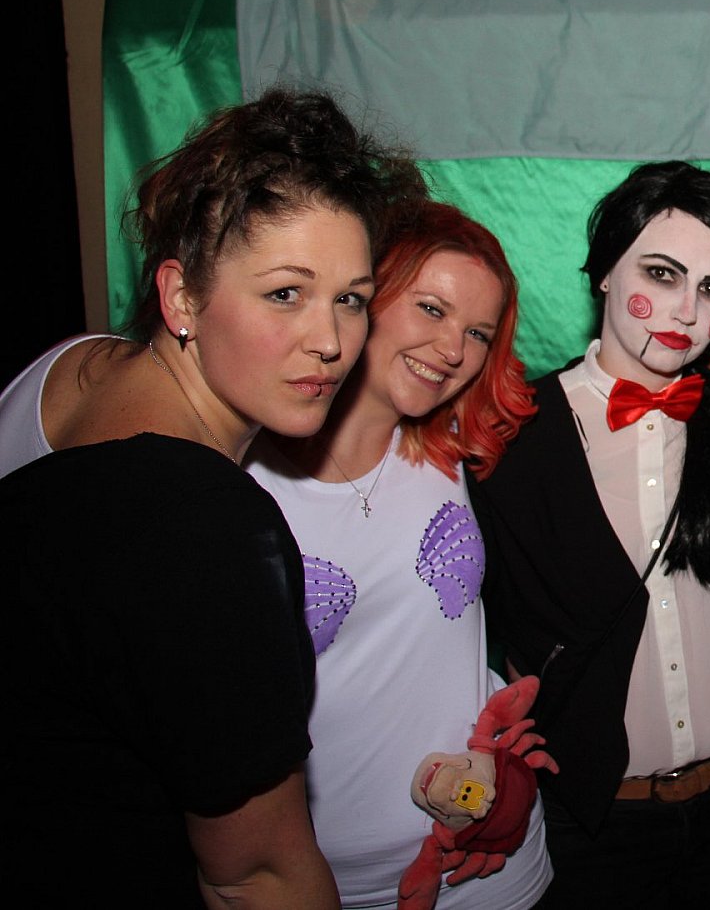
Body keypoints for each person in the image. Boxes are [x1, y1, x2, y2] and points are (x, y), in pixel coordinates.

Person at [3, 89, 421, 907]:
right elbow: (253, 876)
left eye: (351, 297)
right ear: (181, 297)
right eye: (285, 293)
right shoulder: (209, 529)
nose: (331, 341)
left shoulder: (65, 370)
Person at [472, 161, 710, 907]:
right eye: (661, 274)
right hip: (601, 826)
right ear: (603, 272)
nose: (685, 310)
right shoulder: (510, 437)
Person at [245, 200, 552, 908]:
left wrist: (514, 772)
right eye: (431, 309)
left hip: (495, 855)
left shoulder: (451, 447)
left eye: (477, 333)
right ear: (363, 297)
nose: (453, 350)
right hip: (331, 883)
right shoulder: (243, 481)